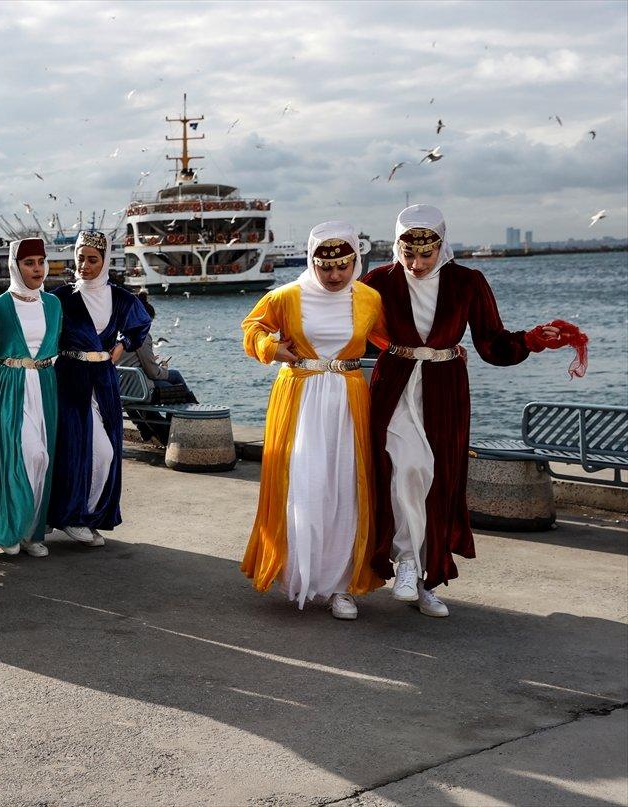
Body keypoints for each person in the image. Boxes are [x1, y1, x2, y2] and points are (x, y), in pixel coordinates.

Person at [361, 205, 566, 617]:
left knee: (438, 482)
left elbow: (491, 343)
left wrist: (533, 340)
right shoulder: (377, 281)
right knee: (407, 468)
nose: (416, 265)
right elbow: (351, 332)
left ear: (441, 245)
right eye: (408, 255)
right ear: (397, 245)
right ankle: (405, 561)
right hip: (395, 386)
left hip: (445, 390)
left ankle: (427, 580)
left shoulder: (467, 282)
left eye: (425, 255)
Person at [240, 222, 387, 620]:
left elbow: (396, 342)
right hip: (300, 397)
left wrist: (442, 350)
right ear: (312, 262)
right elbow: (252, 328)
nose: (335, 275)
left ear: (355, 261)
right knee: (303, 486)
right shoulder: (287, 296)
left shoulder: (371, 299)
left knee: (345, 490)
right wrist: (272, 347)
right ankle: (300, 576)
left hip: (348, 399)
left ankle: (342, 586)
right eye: (326, 267)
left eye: (343, 266)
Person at [49, 230, 151, 547]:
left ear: (105, 261)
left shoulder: (120, 298)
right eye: (80, 258)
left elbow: (141, 323)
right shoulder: (61, 298)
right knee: (76, 449)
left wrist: (118, 349)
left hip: (103, 381)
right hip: (69, 377)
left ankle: (88, 515)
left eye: (93, 259)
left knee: (105, 452)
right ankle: (73, 517)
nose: (85, 265)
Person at [0, 237, 62, 556]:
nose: (37, 269)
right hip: (9, 385)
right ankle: (12, 526)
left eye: (41, 262)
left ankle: (32, 532)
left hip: (44, 385)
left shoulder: (53, 304)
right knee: (28, 455)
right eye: (29, 263)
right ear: (16, 266)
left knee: (44, 458)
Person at [115, 289, 197, 442]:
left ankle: (150, 432)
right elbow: (152, 372)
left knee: (166, 384)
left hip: (122, 390)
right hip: (139, 391)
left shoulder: (116, 333)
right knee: (177, 381)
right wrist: (163, 368)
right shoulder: (140, 335)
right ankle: (193, 414)